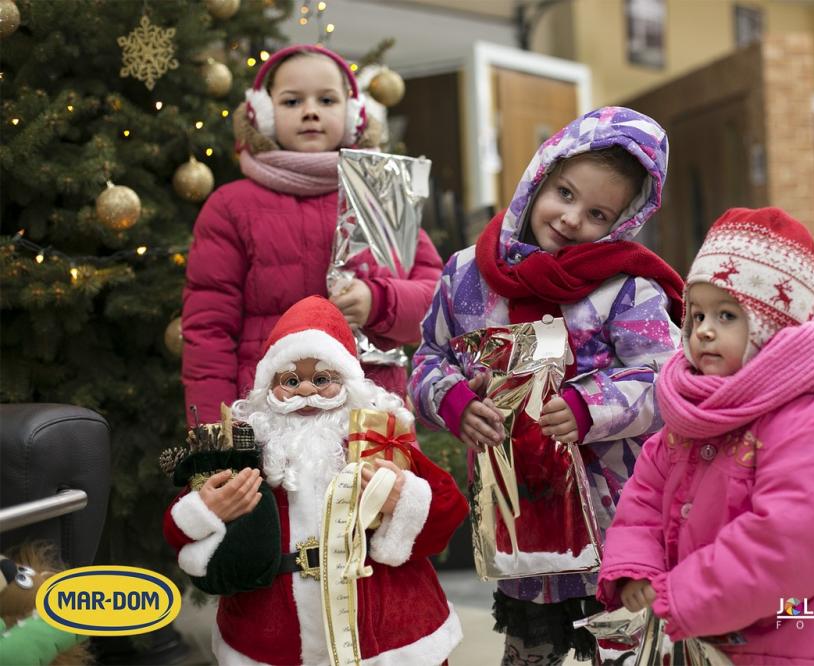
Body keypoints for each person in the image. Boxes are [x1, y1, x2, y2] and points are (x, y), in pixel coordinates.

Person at [408, 106, 686, 664]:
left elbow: (667, 379)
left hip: (613, 518)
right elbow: (429, 358)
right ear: (540, 175)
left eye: (597, 212)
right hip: (519, 515)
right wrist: (456, 402)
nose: (570, 217)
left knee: (622, 645)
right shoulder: (467, 274)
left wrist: (589, 405)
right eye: (564, 192)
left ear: (621, 223)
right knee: (529, 644)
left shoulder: (626, 288)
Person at [597, 207, 814, 665]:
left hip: (784, 645)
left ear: (773, 327)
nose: (705, 330)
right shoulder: (691, 417)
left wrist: (682, 594)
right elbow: (644, 500)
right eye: (698, 314)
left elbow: (787, 542)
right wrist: (638, 570)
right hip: (695, 640)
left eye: (728, 315)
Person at [163, 296, 468, 665]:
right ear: (268, 387)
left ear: (348, 382)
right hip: (272, 639)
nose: (306, 391)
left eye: (322, 379)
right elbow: (177, 529)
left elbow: (449, 509)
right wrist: (205, 509)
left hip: (385, 637)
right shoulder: (246, 449)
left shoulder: (378, 440)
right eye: (290, 380)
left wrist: (404, 500)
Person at [182, 44, 443, 425]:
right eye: (291, 101)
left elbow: (435, 301)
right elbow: (209, 332)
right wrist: (215, 427)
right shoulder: (230, 208)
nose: (310, 110)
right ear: (263, 115)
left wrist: (379, 301)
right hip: (267, 418)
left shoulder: (381, 198)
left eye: (326, 99)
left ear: (354, 114)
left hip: (368, 419)